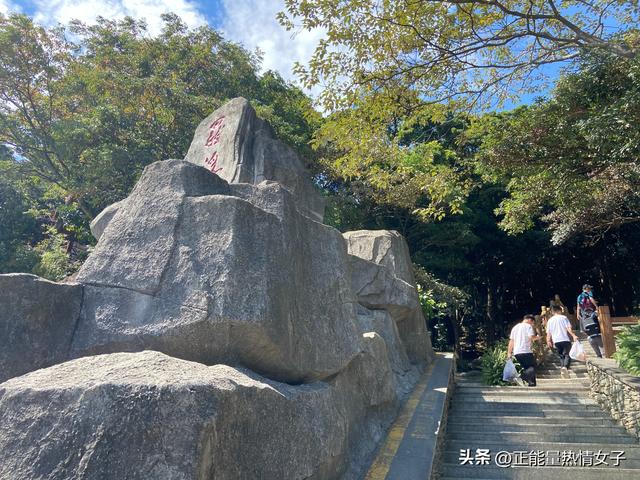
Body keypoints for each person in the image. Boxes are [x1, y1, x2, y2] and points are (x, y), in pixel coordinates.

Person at [507, 314, 541, 387]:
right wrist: (537, 337)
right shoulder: (528, 326)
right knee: (534, 367)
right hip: (525, 351)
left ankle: (532, 384)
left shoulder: (515, 327)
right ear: (529, 320)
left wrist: (509, 353)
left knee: (528, 368)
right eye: (532, 322)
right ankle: (520, 378)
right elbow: (531, 337)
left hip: (517, 352)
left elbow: (511, 341)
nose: (532, 324)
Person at [546, 305, 578, 376]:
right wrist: (573, 335)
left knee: (561, 355)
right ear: (559, 310)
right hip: (565, 339)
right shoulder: (564, 318)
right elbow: (568, 328)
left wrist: (548, 341)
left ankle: (562, 368)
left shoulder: (550, 320)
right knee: (567, 354)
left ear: (552, 311)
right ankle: (565, 367)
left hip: (556, 341)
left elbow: (549, 332)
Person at [577, 284, 604, 358]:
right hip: (591, 314)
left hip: (584, 316)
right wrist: (596, 306)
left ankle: (598, 355)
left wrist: (578, 314)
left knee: (589, 335)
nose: (590, 290)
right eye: (589, 288)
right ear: (586, 289)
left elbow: (578, 306)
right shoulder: (588, 294)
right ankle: (603, 354)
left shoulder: (579, 296)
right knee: (598, 335)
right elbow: (591, 299)